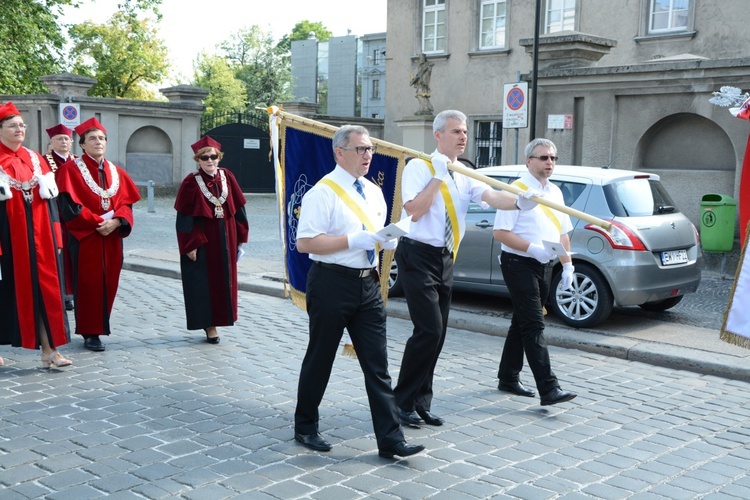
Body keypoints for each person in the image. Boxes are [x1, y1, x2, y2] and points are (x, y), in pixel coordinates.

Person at [393, 109, 536, 427]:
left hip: (444, 258)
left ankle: (420, 402)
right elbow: (414, 211)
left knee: (439, 334)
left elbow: (492, 196)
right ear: (438, 135)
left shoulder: (465, 172)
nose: (463, 137)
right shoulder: (419, 166)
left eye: (465, 132)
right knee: (428, 329)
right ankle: (399, 402)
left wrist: (519, 202)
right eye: (456, 131)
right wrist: (438, 176)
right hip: (416, 254)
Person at [293, 124, 424, 459]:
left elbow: (377, 235)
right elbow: (306, 242)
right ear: (340, 152)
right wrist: (355, 240)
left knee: (377, 364)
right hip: (331, 282)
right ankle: (305, 425)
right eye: (361, 149)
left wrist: (386, 240)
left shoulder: (374, 191)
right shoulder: (322, 192)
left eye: (370, 150)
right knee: (320, 358)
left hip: (367, 283)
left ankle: (391, 439)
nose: (368, 155)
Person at [492, 138, 577, 406]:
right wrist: (531, 249)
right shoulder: (516, 191)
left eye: (553, 158)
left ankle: (507, 377)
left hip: (545, 264)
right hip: (518, 264)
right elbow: (501, 233)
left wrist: (567, 265)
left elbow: (563, 233)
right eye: (543, 158)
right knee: (534, 324)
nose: (549, 162)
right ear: (529, 161)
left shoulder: (556, 192)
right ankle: (549, 389)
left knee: (521, 322)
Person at [55, 117, 141, 352]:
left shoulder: (117, 172)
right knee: (88, 284)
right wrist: (98, 223)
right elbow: (68, 207)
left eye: (101, 138)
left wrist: (116, 222)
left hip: (112, 237)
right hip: (86, 237)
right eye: (92, 138)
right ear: (82, 144)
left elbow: (127, 203)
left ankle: (101, 326)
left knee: (109, 283)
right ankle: (90, 332)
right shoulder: (69, 170)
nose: (98, 142)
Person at [0, 101, 72, 368]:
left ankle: (49, 350)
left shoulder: (36, 158)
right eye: (13, 125)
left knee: (46, 290)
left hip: (42, 236)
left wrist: (57, 236)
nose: (19, 129)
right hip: (7, 237)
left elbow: (52, 202)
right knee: (5, 291)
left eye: (22, 125)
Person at [174, 136, 249, 344]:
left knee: (224, 281)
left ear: (219, 157)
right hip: (204, 240)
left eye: (213, 157)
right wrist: (190, 244)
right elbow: (185, 217)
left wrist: (241, 237)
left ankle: (222, 318)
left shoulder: (228, 176)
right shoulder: (191, 182)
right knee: (204, 284)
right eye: (204, 157)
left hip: (227, 237)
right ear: (198, 160)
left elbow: (239, 209)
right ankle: (209, 325)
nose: (210, 161)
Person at [44, 123, 76, 311]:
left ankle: (74, 292)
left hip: (76, 215)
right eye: (60, 139)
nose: (64, 142)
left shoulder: (78, 160)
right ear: (52, 142)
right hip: (55, 214)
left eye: (67, 139)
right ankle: (62, 294)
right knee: (60, 256)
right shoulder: (44, 161)